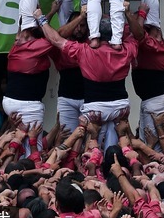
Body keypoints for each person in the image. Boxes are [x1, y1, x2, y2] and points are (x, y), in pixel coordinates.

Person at [34, 8, 138, 151]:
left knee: (91, 149)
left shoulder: (84, 50)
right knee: (114, 150)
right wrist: (129, 13)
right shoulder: (126, 49)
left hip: (95, 110)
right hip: (119, 108)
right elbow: (137, 35)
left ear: (94, 33)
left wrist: (41, 18)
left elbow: (56, 39)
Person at [125, 3, 164, 144]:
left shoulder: (154, 43)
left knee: (153, 141)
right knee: (146, 138)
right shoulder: (136, 38)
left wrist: (139, 13)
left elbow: (138, 34)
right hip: (150, 99)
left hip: (158, 98)